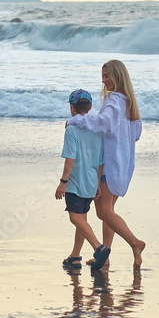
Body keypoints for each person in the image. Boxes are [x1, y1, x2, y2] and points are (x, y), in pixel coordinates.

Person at [67, 59, 145, 270]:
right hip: (124, 163)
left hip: (109, 164)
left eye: (107, 76)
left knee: (103, 212)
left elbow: (104, 123)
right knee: (108, 211)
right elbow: (136, 134)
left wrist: (76, 121)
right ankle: (106, 257)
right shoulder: (130, 103)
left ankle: (135, 243)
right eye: (102, 76)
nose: (104, 81)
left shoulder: (113, 102)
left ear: (118, 76)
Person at [56, 89, 111, 271]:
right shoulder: (97, 130)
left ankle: (98, 247)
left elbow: (70, 158)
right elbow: (101, 160)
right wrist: (96, 183)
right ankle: (74, 257)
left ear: (72, 107)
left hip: (76, 181)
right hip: (90, 182)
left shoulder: (72, 129)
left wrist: (63, 182)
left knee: (75, 217)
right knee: (82, 219)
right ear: (90, 107)